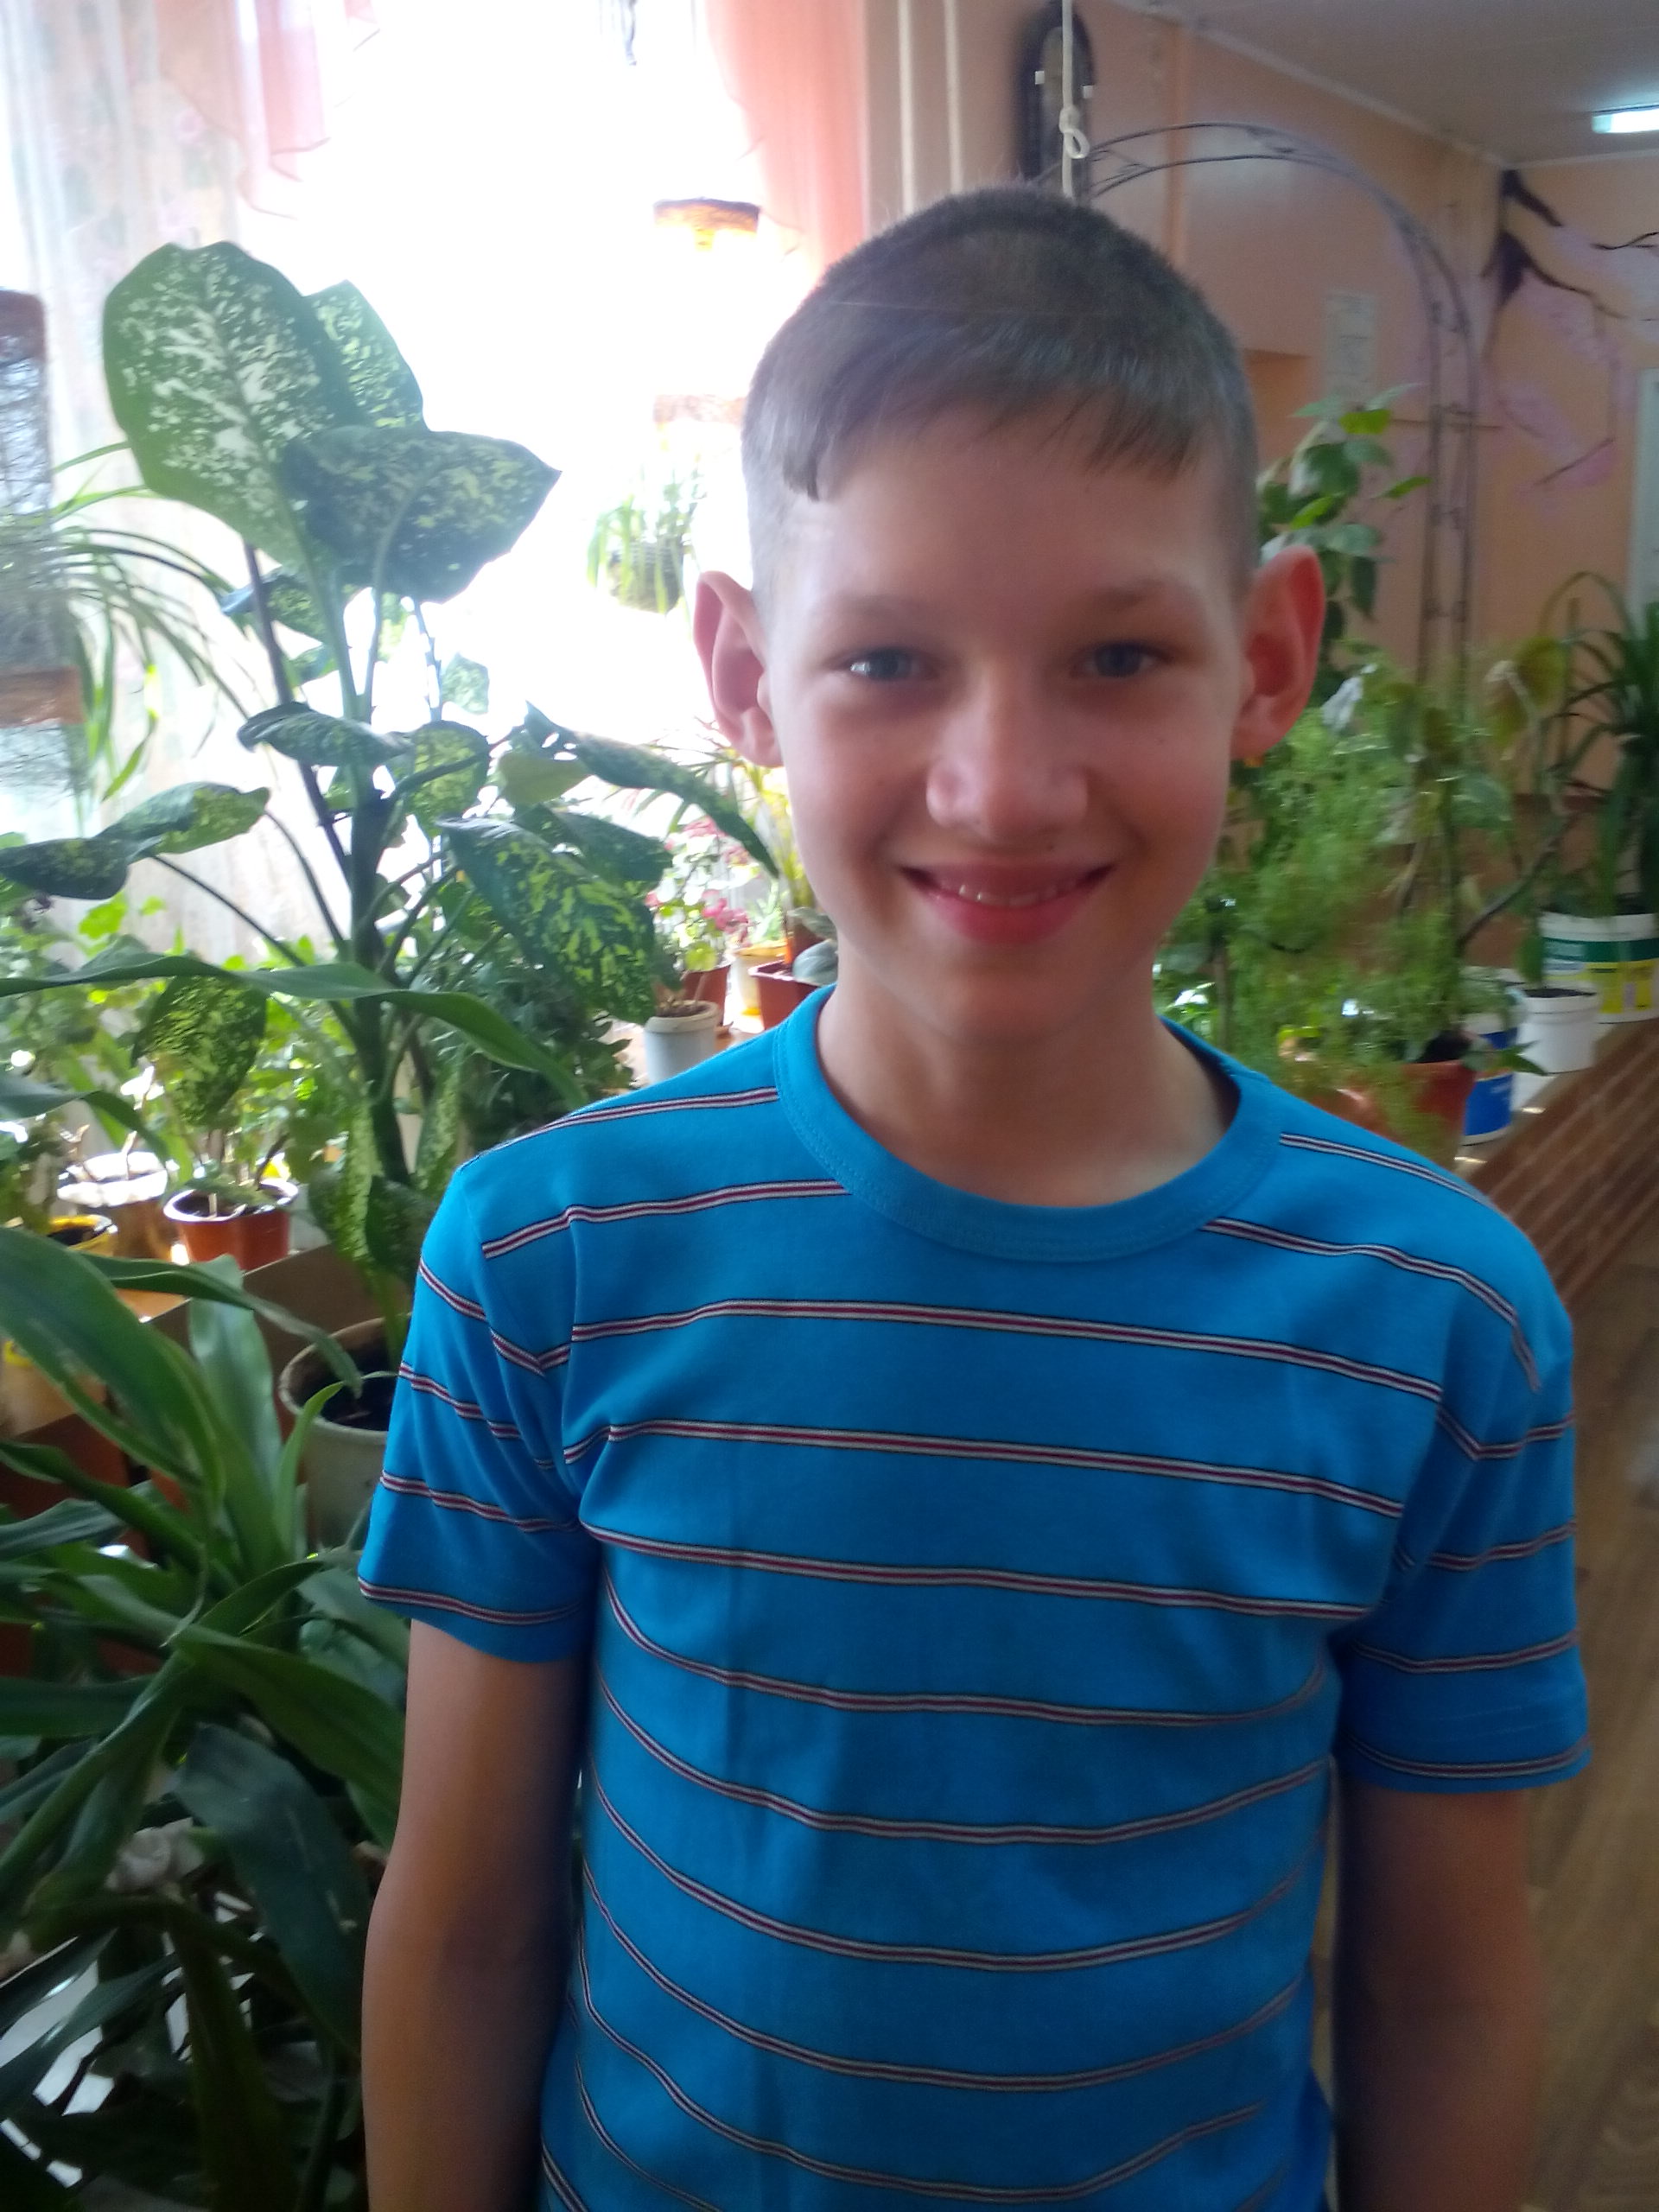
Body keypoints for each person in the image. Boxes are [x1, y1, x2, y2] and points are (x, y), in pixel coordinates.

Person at [359, 187, 1587, 2212]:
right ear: (746, 674)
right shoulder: (553, 1254)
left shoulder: (1433, 1312)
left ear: (1269, 658)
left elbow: (1443, 1985)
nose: (1003, 785)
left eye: (1118, 653)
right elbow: (469, 1923)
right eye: (888, 657)